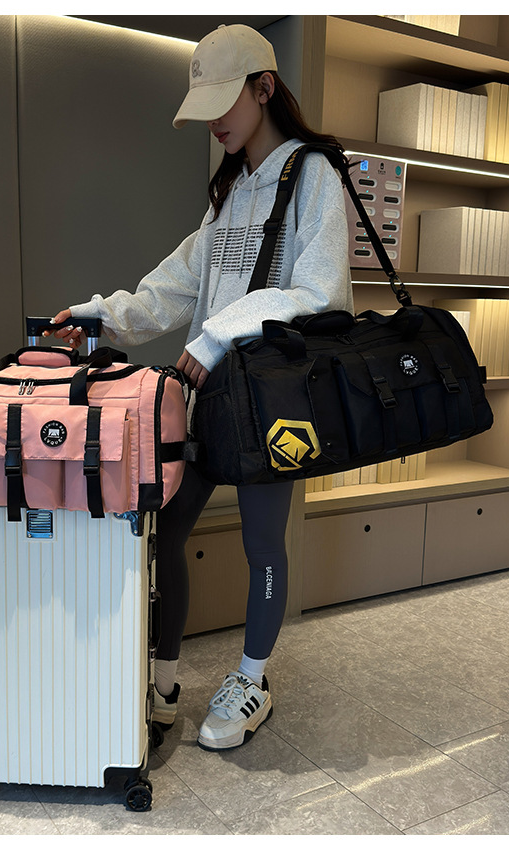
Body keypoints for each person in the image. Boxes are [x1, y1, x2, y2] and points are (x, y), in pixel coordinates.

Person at [46, 24, 353, 751]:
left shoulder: (314, 174)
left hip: (271, 399)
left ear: (264, 88)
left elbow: (321, 294)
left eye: (223, 101)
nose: (214, 121)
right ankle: (162, 680)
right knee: (165, 528)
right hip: (208, 396)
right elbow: (177, 285)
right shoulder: (232, 190)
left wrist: (216, 337)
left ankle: (252, 678)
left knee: (262, 541)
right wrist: (100, 315)